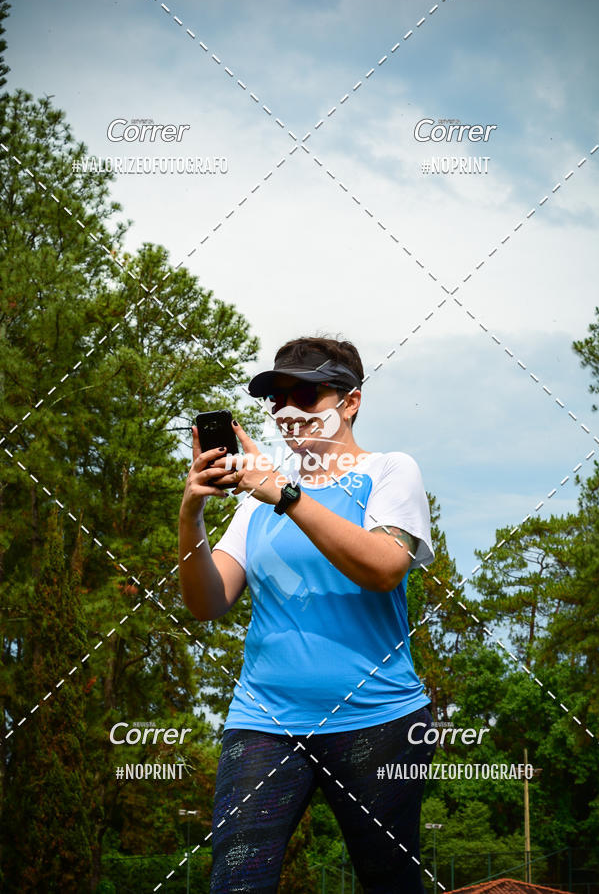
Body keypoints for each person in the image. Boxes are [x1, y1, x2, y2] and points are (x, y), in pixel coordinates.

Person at [178, 335, 437, 893]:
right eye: (277, 397)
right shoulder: (254, 504)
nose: (288, 410)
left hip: (379, 720)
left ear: (351, 401)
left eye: (307, 394)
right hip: (263, 720)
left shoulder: (391, 472)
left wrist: (287, 494)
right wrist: (191, 512)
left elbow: (386, 566)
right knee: (236, 882)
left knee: (388, 881)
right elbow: (206, 602)